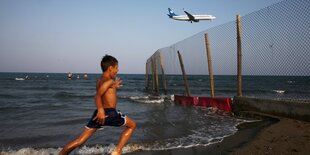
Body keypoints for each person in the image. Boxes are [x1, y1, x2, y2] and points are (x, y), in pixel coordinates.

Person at [59, 55, 136, 155]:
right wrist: (101, 110)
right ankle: (117, 151)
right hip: (108, 113)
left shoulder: (100, 81)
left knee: (80, 140)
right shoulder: (109, 81)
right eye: (116, 68)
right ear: (110, 68)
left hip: (98, 115)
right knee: (132, 125)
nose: (117, 70)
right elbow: (97, 96)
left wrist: (114, 87)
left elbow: (105, 94)